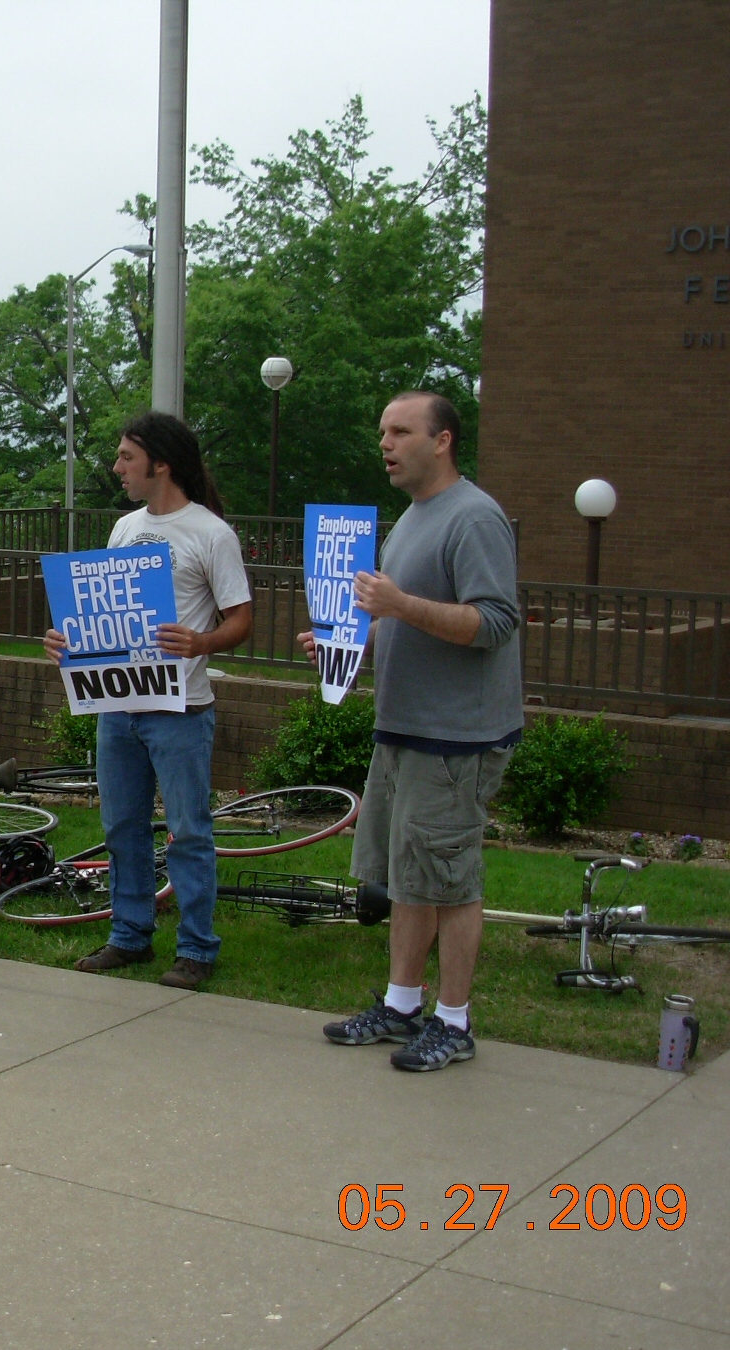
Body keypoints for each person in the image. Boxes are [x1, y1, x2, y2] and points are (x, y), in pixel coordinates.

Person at [316, 391, 521, 1072]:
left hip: (455, 739)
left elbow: (492, 623)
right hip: (403, 729)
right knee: (408, 878)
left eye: (401, 431)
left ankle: (454, 1023)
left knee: (450, 881)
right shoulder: (411, 519)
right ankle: (403, 1007)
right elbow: (409, 619)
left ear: (443, 441)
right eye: (382, 431)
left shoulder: (475, 517)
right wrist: (356, 642)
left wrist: (398, 603)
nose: (386, 442)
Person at [43, 413, 252, 991]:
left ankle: (197, 948)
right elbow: (106, 615)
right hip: (118, 706)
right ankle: (129, 936)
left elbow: (241, 619)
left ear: (161, 464)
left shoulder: (211, 533)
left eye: (126, 458)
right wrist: (69, 642)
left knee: (187, 830)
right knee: (123, 826)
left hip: (180, 709)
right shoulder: (125, 530)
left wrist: (202, 641)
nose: (117, 468)